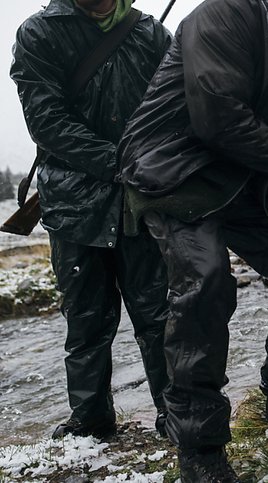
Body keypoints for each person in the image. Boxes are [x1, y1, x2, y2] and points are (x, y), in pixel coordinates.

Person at [118, 0, 268, 479]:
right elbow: (218, 116)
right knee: (206, 281)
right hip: (174, 174)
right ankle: (200, 448)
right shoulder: (225, 14)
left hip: (239, 178)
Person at [10, 0, 172, 439]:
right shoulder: (39, 33)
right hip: (73, 207)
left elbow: (176, 107)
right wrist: (121, 162)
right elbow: (47, 122)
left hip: (141, 203)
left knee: (159, 315)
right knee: (85, 320)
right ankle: (91, 420)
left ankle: (175, 412)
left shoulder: (151, 34)